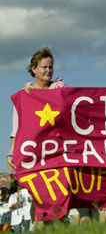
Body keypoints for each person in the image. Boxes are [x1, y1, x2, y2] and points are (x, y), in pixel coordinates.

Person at [6, 46, 66, 229]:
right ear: (33, 69)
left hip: (57, 152)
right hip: (35, 154)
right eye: (44, 67)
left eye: (50, 67)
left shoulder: (59, 88)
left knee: (60, 200)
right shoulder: (24, 96)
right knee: (40, 201)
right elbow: (18, 128)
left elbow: (66, 109)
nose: (48, 71)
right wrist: (11, 153)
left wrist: (41, 96)